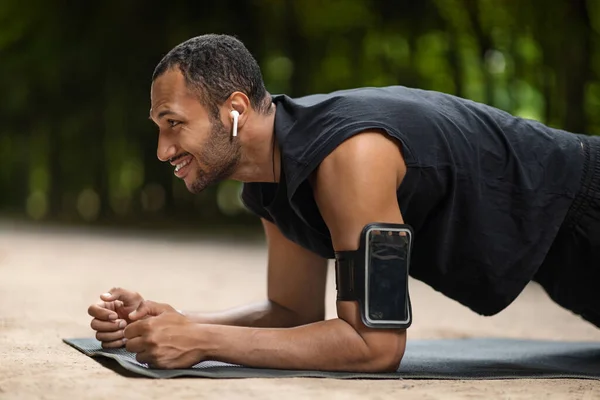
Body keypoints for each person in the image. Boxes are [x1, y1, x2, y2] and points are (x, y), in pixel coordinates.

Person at [87, 34, 600, 372]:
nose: (162, 150)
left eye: (174, 124)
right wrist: (178, 322)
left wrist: (202, 343)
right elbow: (292, 312)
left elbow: (375, 345)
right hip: (565, 258)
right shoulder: (270, 177)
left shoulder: (349, 157)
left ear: (236, 110)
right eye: (158, 129)